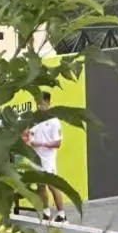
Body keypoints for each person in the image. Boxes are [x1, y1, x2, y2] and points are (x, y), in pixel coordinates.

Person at [23, 92, 66, 222]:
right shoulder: (34, 120)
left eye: (41, 102)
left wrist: (40, 144)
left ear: (48, 102)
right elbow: (26, 135)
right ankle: (46, 213)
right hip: (35, 159)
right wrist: (26, 138)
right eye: (37, 102)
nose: (39, 105)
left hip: (48, 160)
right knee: (41, 187)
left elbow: (57, 143)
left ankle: (62, 215)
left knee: (52, 186)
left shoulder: (54, 121)